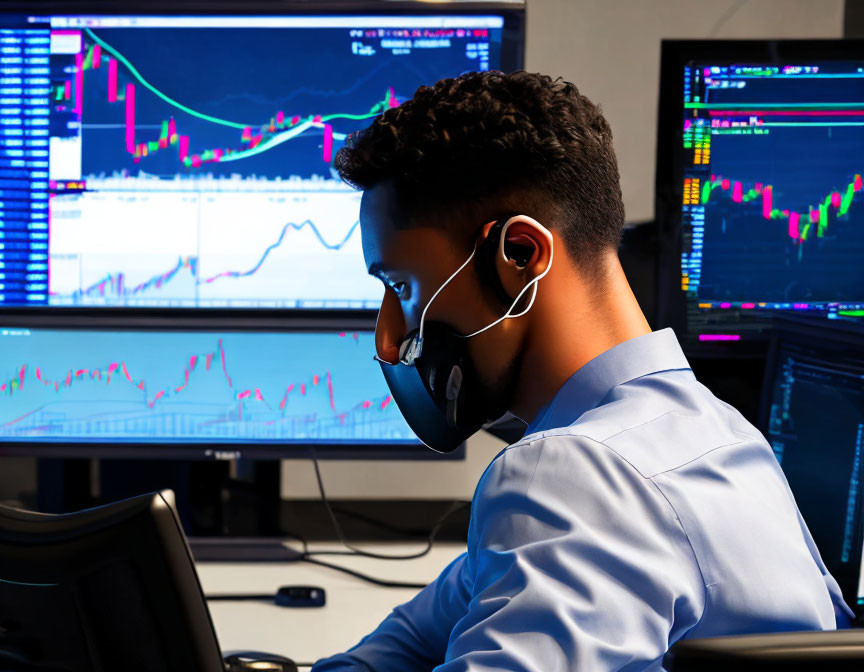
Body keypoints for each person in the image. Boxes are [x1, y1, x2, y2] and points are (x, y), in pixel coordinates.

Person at [311, 71, 852, 672]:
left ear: (520, 255)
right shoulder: (724, 434)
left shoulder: (574, 474)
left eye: (400, 286)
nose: (389, 336)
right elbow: (413, 640)